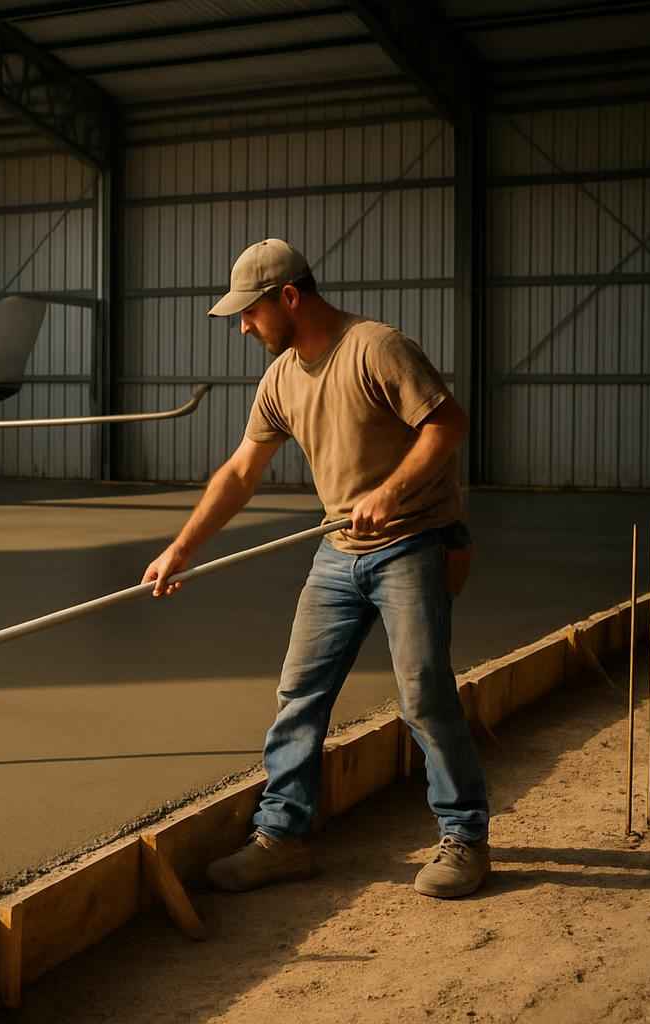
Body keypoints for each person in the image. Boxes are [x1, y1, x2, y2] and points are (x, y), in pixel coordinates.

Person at [141, 238, 490, 899]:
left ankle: (465, 839)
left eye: (250, 313)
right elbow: (242, 471)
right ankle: (282, 838)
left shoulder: (377, 348)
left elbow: (446, 426)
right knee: (299, 695)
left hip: (414, 542)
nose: (243, 326)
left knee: (424, 696)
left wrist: (390, 493)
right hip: (338, 553)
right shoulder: (280, 379)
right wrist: (181, 548)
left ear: (290, 297)